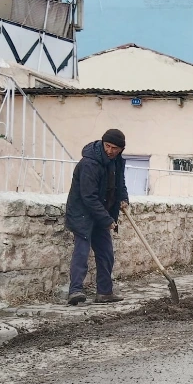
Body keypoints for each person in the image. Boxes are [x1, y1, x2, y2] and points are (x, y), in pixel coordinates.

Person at [64, 129, 129, 306]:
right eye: (107, 146)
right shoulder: (89, 163)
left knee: (106, 253)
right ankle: (75, 291)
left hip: (102, 212)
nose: (110, 151)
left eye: (114, 148)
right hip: (82, 212)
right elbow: (88, 196)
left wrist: (123, 198)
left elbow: (119, 183)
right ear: (102, 143)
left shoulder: (117, 162)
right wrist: (107, 220)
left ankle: (104, 292)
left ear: (121, 149)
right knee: (82, 251)